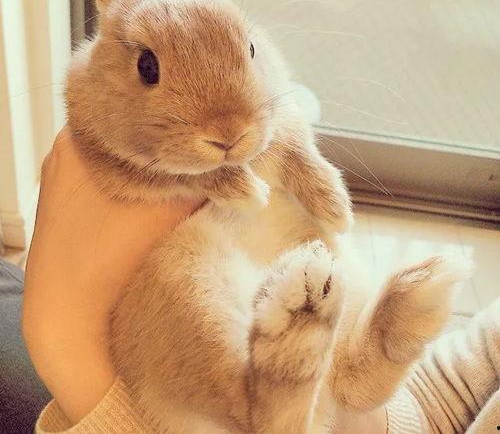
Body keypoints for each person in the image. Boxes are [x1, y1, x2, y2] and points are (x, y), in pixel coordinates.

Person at [1, 129, 498, 433]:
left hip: (178, 400)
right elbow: (456, 393)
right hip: (364, 409)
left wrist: (67, 338)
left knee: (181, 268)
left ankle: (268, 405)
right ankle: (347, 371)